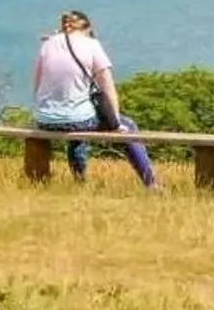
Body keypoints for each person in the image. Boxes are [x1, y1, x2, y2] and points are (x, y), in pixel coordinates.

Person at [31, 10, 157, 189]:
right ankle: (151, 183)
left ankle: (79, 182)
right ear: (87, 29)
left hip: (44, 120)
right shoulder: (91, 44)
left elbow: (36, 84)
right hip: (76, 120)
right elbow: (107, 86)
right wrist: (115, 122)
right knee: (127, 126)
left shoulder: (47, 44)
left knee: (78, 128)